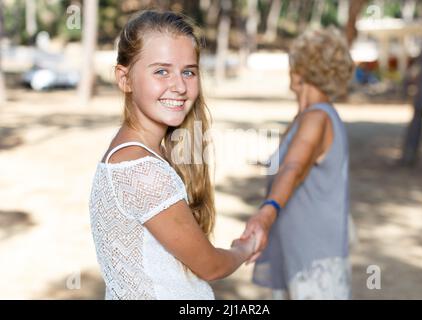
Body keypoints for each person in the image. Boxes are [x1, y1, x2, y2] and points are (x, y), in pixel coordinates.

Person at [89, 10, 255, 300]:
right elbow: (211, 266)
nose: (179, 86)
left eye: (188, 71)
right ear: (124, 78)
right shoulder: (140, 171)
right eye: (161, 71)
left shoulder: (143, 152)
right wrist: (245, 249)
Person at [241, 27, 354, 300]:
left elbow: (294, 168)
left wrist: (266, 213)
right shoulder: (306, 117)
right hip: (296, 258)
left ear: (301, 70)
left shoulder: (317, 118)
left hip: (314, 268)